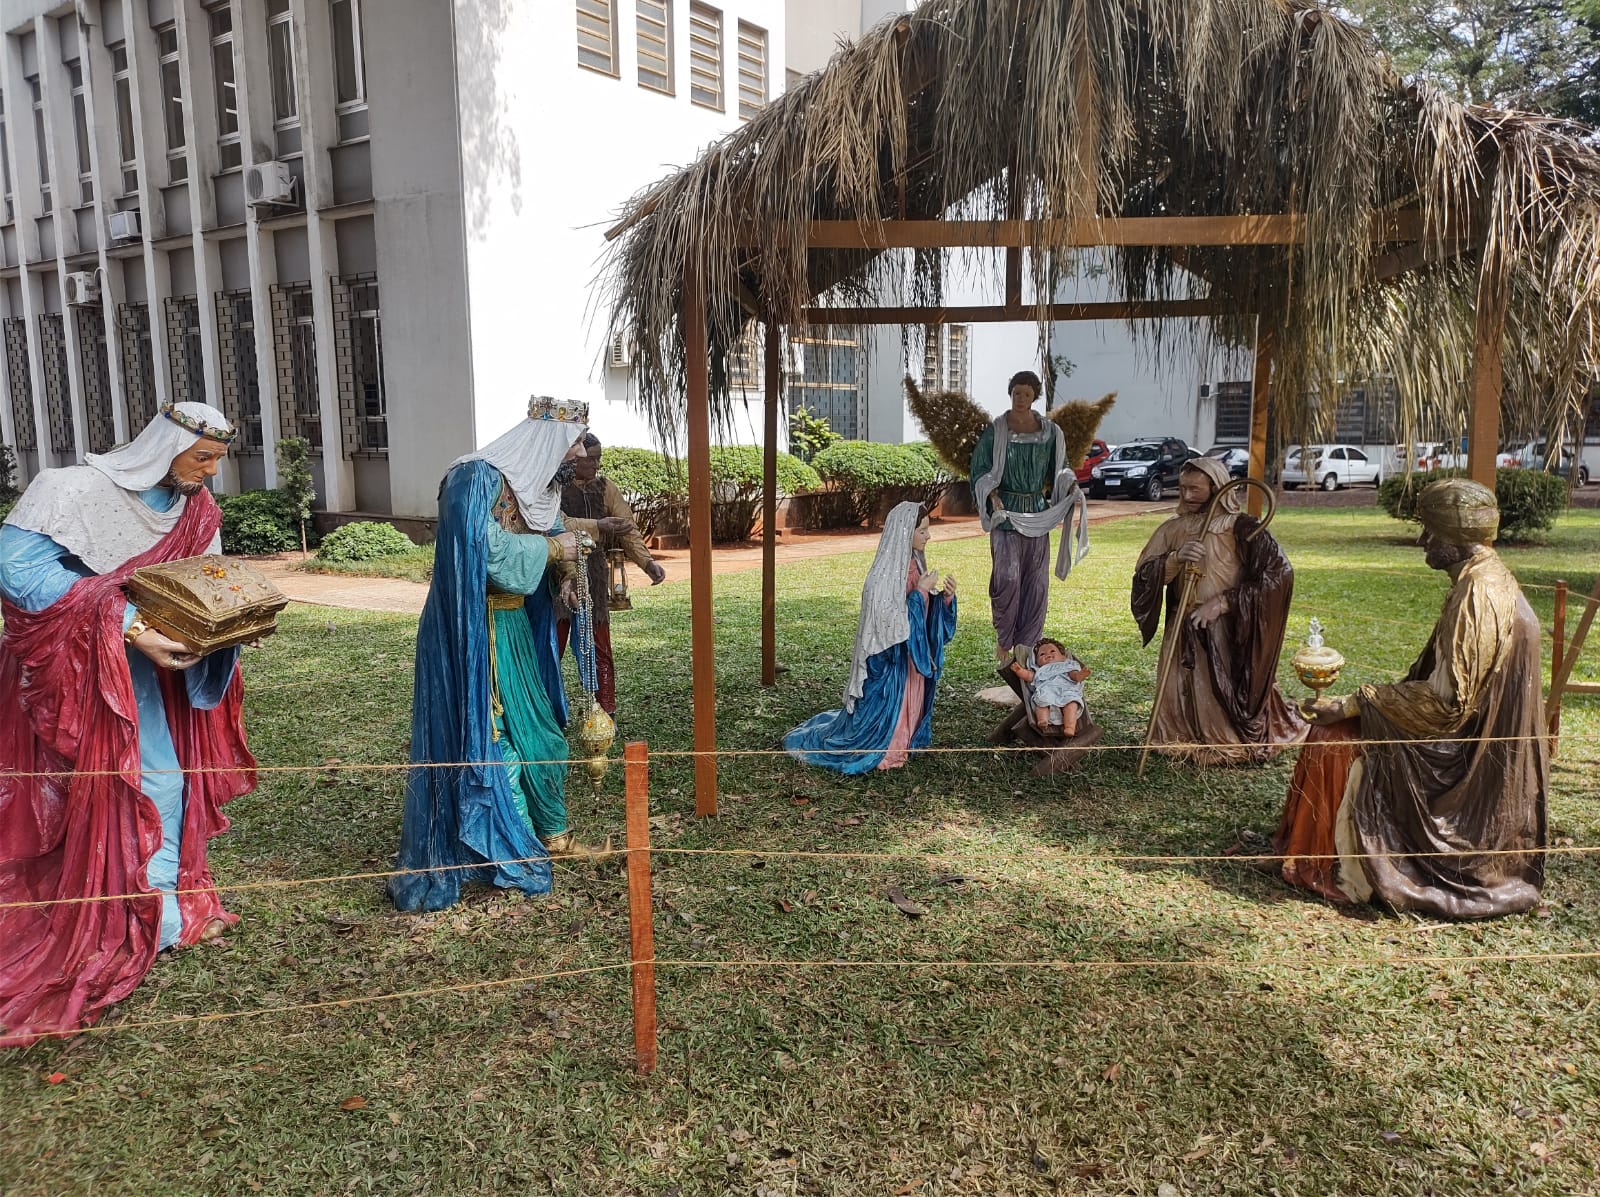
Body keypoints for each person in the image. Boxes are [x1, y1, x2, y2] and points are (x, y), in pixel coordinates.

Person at [0, 403, 255, 1046]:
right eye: (203, 455)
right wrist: (128, 626)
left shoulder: (195, 508)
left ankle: (158, 911)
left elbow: (206, 578)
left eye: (220, 458)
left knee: (162, 783)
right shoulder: (70, 491)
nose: (212, 470)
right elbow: (17, 571)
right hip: (69, 672)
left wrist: (224, 621)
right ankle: (100, 909)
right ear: (164, 444)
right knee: (61, 797)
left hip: (147, 675)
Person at [1268, 479, 1548, 918]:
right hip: (1474, 739)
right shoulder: (1484, 577)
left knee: (1331, 739)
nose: (1422, 541)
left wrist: (1354, 702)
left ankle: (1337, 868)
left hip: (1466, 763)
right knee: (1334, 727)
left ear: (1455, 537)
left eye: (1431, 532)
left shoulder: (1478, 595)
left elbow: (1445, 706)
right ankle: (1312, 852)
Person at [390, 396, 600, 915]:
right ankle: (509, 847)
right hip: (472, 630)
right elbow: (484, 554)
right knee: (493, 737)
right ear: (549, 441)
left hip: (513, 627)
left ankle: (549, 834)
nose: (579, 452)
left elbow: (553, 533)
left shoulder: (538, 487)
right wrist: (555, 553)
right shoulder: (475, 478)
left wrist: (567, 578)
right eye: (574, 440)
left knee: (546, 732)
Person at [1131, 457, 1305, 764]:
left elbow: (1279, 575)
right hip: (1182, 621)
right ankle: (1177, 736)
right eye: (1183, 488)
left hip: (1226, 626)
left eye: (1195, 489)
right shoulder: (1174, 529)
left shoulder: (1242, 528)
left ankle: (1222, 740)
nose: (1187, 495)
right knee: (1180, 684)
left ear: (1217, 486)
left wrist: (1224, 602)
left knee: (1216, 686)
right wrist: (1174, 559)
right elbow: (1144, 573)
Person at [785, 502, 958, 773]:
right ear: (904, 532)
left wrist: (944, 600)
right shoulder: (881, 578)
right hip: (891, 667)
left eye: (927, 530)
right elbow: (886, 627)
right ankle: (888, 744)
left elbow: (921, 616)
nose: (928, 537)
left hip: (909, 663)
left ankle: (905, 739)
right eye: (922, 531)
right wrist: (920, 594)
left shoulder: (914, 564)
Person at [969, 369, 1088, 666]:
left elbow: (1060, 467)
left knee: (1036, 582)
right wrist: (992, 493)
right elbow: (980, 467)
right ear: (1010, 394)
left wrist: (1070, 483)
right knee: (1007, 577)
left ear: (1035, 396)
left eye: (1026, 393)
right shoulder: (997, 429)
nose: (1020, 398)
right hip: (1006, 512)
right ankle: (1004, 638)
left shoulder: (1049, 431)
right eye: (1016, 393)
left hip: (1036, 512)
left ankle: (1028, 643)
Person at [558, 432, 667, 715]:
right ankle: (551, 716)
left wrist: (647, 563)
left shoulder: (606, 488)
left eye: (597, 459)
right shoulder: (555, 487)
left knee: (600, 649)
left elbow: (626, 528)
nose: (595, 465)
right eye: (590, 459)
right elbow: (557, 525)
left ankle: (606, 712)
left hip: (593, 577)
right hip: (557, 577)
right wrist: (599, 526)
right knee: (551, 649)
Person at [1008, 637, 1090, 737]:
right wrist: (1019, 671)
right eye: (1042, 654)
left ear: (1063, 657)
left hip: (1066, 691)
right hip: (1047, 691)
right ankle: (1043, 720)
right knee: (1041, 702)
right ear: (1037, 661)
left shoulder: (1067, 666)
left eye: (1052, 651)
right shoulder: (1040, 670)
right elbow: (1030, 676)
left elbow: (1075, 677)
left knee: (1072, 705)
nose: (1048, 655)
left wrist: (1081, 674)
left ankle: (1070, 727)